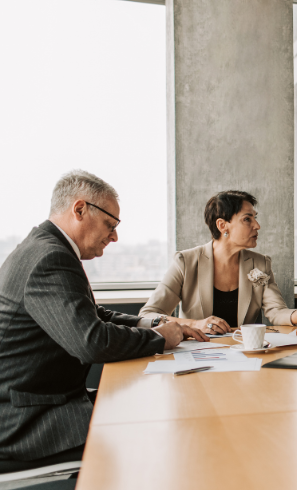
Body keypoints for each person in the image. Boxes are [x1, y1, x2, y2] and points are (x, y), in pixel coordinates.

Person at [0, 170, 203, 461]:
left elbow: (94, 315)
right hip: (27, 419)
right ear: (80, 209)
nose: (115, 236)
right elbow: (91, 342)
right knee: (160, 431)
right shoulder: (49, 258)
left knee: (145, 406)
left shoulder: (45, 248)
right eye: (110, 224)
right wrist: (160, 338)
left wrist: (156, 322)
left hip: (40, 399)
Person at [140, 191, 297, 333]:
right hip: (195, 356)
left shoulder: (261, 264)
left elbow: (276, 313)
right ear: (223, 225)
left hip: (244, 356)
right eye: (247, 219)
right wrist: (195, 324)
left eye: (255, 218)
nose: (257, 225)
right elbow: (149, 315)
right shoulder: (186, 262)